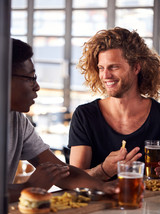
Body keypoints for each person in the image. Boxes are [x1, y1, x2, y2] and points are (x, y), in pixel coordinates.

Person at [9, 38, 125, 203]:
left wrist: (102, 187)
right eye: (30, 78)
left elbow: (62, 172)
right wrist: (27, 187)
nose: (37, 87)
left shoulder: (17, 121)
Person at [68, 27, 160, 181]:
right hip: (99, 205)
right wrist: (104, 170)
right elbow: (74, 180)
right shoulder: (85, 115)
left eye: (114, 67)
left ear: (136, 67)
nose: (105, 75)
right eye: (101, 68)